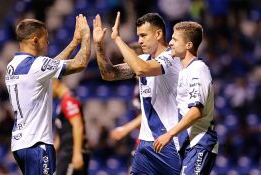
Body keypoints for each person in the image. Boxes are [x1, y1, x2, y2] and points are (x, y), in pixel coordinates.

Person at [93, 12, 182, 174]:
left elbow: (142, 69)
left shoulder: (172, 57)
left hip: (171, 143)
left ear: (159, 34)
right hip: (146, 143)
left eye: (143, 35)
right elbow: (109, 74)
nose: (139, 41)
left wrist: (117, 39)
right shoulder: (145, 58)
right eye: (138, 36)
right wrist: (99, 45)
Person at [4, 15, 91, 175]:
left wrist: (73, 43)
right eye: (46, 39)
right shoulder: (37, 65)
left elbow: (49, 69)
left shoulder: (12, 66)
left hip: (20, 144)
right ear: (35, 40)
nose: (48, 43)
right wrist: (86, 36)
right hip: (37, 143)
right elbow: (80, 63)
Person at [153, 21, 219, 174]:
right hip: (188, 144)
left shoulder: (198, 70)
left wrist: (169, 134)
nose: (170, 42)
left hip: (200, 142)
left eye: (175, 39)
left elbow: (196, 111)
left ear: (188, 45)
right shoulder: (184, 71)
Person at [52, 79, 90, 175]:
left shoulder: (69, 101)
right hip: (66, 153)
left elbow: (78, 125)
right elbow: (60, 135)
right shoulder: (62, 103)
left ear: (54, 83)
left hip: (71, 153)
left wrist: (77, 154)